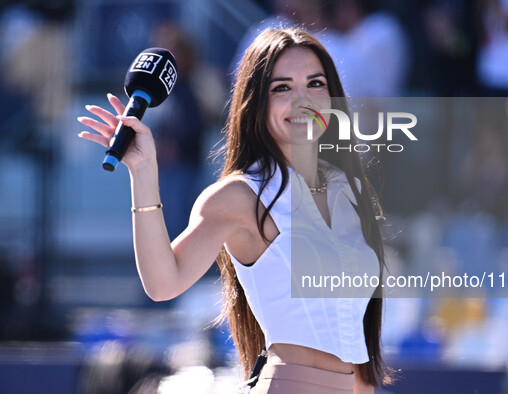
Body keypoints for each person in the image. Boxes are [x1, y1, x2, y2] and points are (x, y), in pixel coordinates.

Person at [78, 28, 392, 393]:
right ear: (256, 102)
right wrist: (144, 172)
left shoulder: (347, 187)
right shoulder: (240, 196)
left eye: (316, 84)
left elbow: (358, 340)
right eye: (282, 88)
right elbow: (164, 283)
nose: (304, 100)